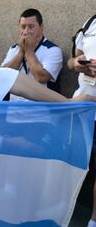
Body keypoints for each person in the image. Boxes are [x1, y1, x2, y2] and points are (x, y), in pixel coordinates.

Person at [68, 15, 96, 227]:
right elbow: (72, 60)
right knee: (74, 161)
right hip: (81, 107)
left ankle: (93, 220)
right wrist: (78, 64)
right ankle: (64, 209)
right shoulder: (90, 22)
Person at [2, 8, 63, 100]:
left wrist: (29, 51)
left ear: (41, 27)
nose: (26, 31)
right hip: (13, 109)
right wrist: (21, 51)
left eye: (31, 26)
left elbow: (41, 77)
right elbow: (3, 75)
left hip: (41, 109)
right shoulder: (14, 48)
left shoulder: (53, 50)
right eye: (23, 27)